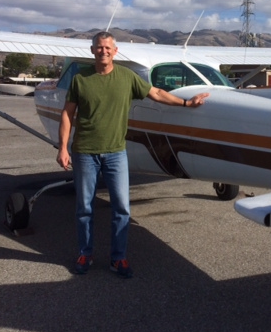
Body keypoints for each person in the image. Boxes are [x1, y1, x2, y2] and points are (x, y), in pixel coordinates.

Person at [57, 31, 209, 277]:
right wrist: (63, 147)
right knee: (84, 207)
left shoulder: (127, 77)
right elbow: (67, 113)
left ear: (115, 51)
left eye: (108, 47)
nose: (103, 51)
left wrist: (186, 104)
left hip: (116, 153)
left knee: (122, 208)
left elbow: (157, 93)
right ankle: (85, 253)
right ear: (92, 50)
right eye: (99, 47)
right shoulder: (80, 79)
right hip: (84, 152)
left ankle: (118, 258)